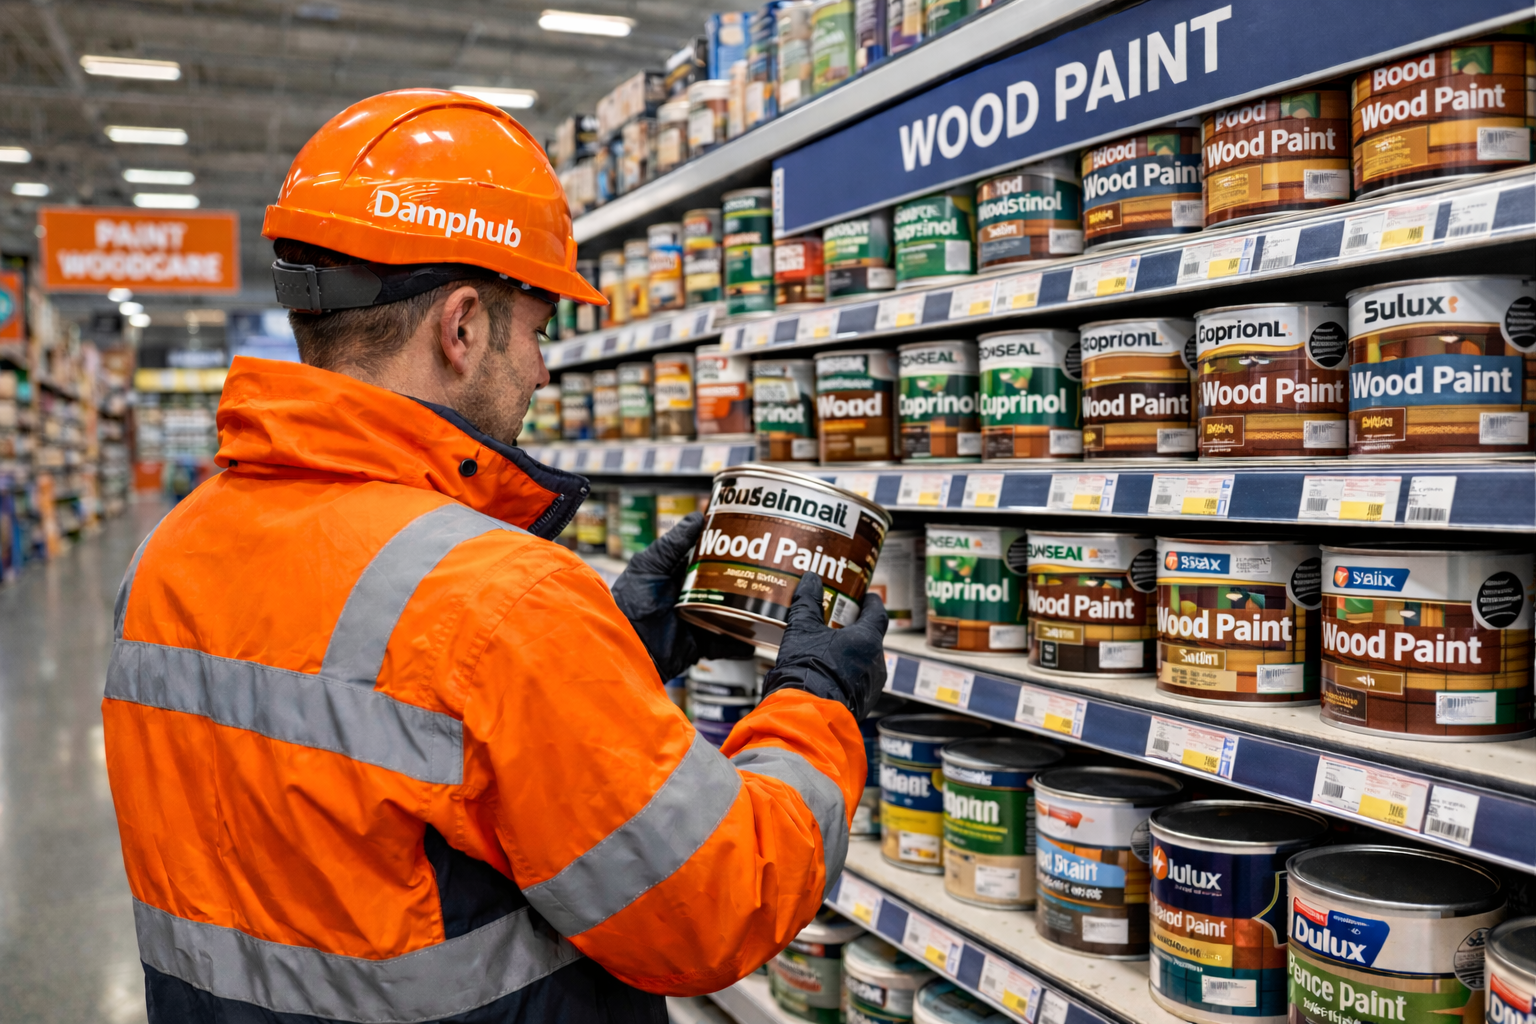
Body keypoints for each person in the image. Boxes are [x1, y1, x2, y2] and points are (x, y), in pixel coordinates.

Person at [101, 89, 887, 1024]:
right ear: (462, 326)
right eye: (539, 331)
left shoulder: (163, 555)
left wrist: (614, 646)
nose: (545, 370)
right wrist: (816, 701)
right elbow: (716, 904)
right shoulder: (499, 599)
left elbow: (365, 765)